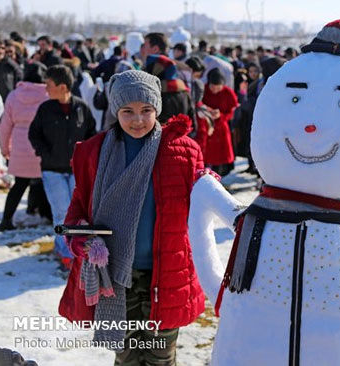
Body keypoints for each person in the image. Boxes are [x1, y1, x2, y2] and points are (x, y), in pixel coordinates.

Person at [58, 70, 205, 365]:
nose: (137, 120)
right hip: (114, 275)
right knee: (125, 356)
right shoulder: (93, 152)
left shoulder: (182, 150)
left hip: (164, 274)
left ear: (157, 110)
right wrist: (83, 242)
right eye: (128, 111)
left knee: (161, 357)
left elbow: (205, 195)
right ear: (115, 110)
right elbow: (78, 210)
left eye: (146, 110)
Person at [28, 65, 96, 267]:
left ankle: (76, 247)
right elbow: (34, 135)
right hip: (52, 170)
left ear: (63, 86)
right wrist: (45, 154)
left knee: (78, 212)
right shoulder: (45, 109)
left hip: (76, 171)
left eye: (49, 85)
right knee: (61, 212)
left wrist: (85, 159)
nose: (46, 89)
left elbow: (91, 135)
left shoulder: (81, 107)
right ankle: (65, 251)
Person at [0, 62, 52, 231]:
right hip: (41, 147)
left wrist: (4, 149)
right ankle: (47, 215)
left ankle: (6, 219)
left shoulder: (14, 95)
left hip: (20, 147)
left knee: (19, 185)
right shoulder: (48, 95)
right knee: (43, 183)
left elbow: (5, 126)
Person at [141, 32, 196, 125]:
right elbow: (192, 122)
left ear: (155, 49)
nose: (142, 50)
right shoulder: (181, 83)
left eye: (144, 46)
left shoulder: (153, 93)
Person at [202, 67, 238, 176]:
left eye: (218, 87)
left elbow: (231, 112)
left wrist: (220, 115)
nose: (215, 90)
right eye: (213, 87)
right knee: (206, 156)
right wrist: (207, 111)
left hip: (222, 127)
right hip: (206, 127)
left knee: (220, 157)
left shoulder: (228, 92)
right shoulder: (204, 90)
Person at [0, 36, 23, 103]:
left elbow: (20, 82)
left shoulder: (11, 65)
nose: (1, 51)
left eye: (3, 48)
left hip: (8, 103)